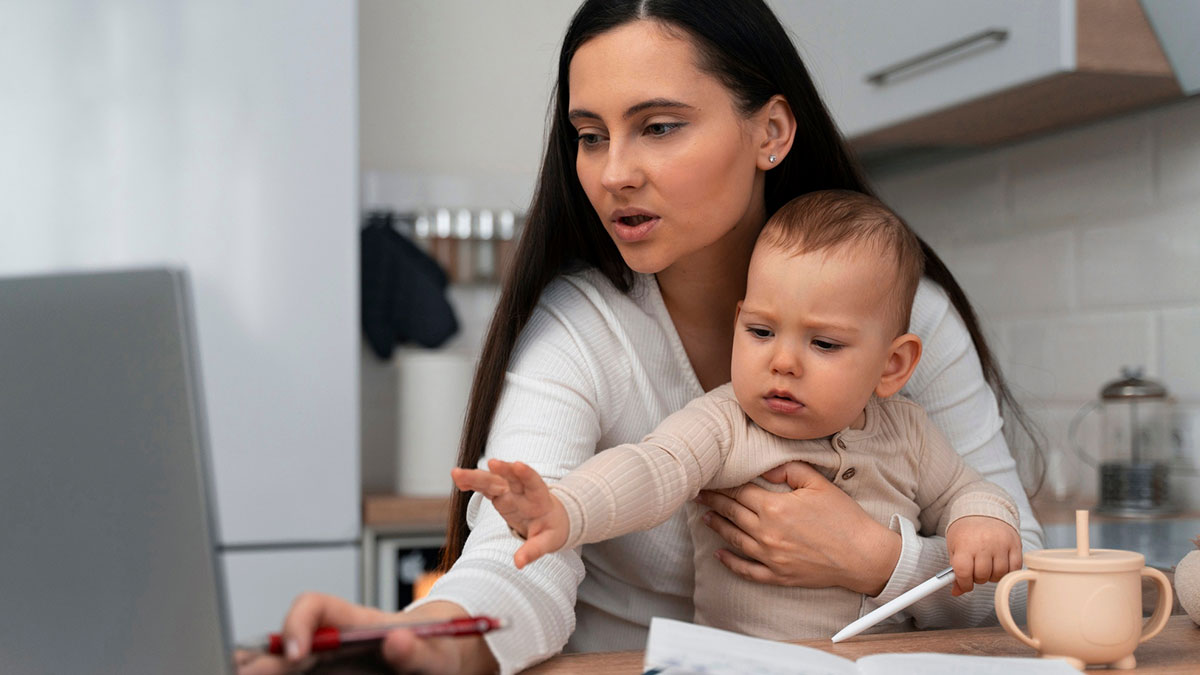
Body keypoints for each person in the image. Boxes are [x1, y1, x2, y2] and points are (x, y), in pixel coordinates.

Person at [240, 1, 1044, 674]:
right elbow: (518, 556)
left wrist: (881, 560)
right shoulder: (581, 329)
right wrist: (418, 639)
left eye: (657, 126)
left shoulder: (908, 318)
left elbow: (1030, 582)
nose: (612, 171)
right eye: (591, 135)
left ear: (771, 133)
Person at [450, 190, 1023, 640]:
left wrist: (981, 523)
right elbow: (651, 470)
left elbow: (967, 490)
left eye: (824, 344)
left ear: (893, 366)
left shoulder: (911, 433)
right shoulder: (726, 423)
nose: (782, 363)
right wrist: (565, 508)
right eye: (760, 332)